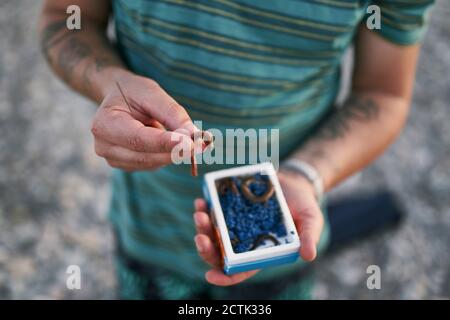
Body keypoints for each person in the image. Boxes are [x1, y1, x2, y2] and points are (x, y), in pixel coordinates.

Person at [39, 0, 435, 299]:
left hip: (284, 245)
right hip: (145, 228)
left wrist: (306, 175)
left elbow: (383, 94)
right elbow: (65, 17)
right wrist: (110, 84)